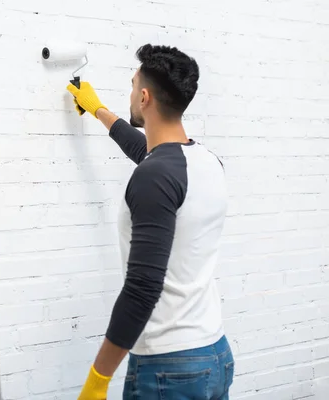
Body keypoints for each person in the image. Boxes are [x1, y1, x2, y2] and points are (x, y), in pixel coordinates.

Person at [67, 44, 234, 399]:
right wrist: (98, 110)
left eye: (131, 85)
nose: (130, 93)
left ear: (144, 97)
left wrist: (98, 378)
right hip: (214, 354)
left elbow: (142, 289)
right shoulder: (205, 160)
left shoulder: (155, 177)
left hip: (169, 367)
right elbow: (145, 151)